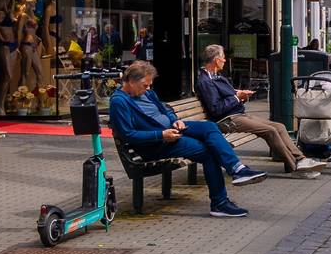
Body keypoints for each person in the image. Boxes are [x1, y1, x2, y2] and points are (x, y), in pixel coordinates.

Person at [107, 61, 264, 218]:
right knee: (209, 151)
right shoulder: (119, 101)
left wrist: (175, 119)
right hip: (157, 144)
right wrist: (161, 135)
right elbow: (128, 134)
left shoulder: (147, 93)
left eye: (149, 85)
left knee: (209, 127)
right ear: (131, 81)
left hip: (173, 130)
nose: (148, 89)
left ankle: (237, 169)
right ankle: (219, 203)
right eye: (145, 85)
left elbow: (165, 109)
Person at [193, 45, 327, 175]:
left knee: (279, 126)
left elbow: (228, 94)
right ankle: (296, 164)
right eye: (223, 57)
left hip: (238, 115)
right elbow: (216, 109)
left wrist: (240, 94)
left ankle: (301, 160)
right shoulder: (206, 81)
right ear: (216, 60)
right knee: (270, 131)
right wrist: (236, 97)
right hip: (227, 120)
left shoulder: (216, 77)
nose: (225, 60)